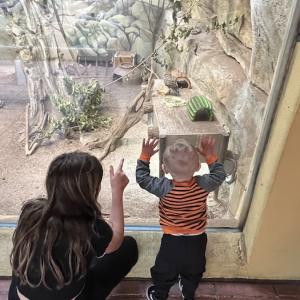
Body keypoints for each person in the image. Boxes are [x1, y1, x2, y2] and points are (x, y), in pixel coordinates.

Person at [9, 152, 138, 300]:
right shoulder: (92, 227)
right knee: (128, 246)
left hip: (18, 296)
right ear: (93, 190)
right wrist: (117, 190)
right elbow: (117, 237)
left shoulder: (30, 211)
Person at [136, 137, 226, 300]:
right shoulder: (204, 184)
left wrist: (145, 156)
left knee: (163, 270)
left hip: (171, 240)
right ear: (198, 167)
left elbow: (142, 179)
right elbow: (220, 174)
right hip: (198, 238)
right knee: (194, 269)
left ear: (165, 169)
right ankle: (188, 291)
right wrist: (209, 155)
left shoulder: (163, 187)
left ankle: (159, 295)